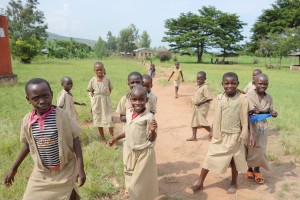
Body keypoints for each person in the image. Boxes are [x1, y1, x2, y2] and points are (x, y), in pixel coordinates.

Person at [4, 78, 86, 200]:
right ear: (28, 100)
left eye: (45, 96)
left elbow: (76, 139)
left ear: (51, 94)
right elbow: (27, 145)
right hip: (42, 173)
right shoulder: (27, 121)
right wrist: (13, 168)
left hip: (65, 170)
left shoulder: (62, 115)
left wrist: (80, 168)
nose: (42, 101)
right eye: (36, 98)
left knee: (69, 195)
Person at [191, 72, 249, 194]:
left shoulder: (243, 99)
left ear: (238, 84)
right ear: (222, 84)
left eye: (233, 83)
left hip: (235, 136)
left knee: (234, 160)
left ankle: (234, 182)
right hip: (220, 135)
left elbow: (245, 118)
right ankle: (200, 182)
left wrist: (245, 134)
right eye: (226, 83)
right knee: (210, 157)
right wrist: (212, 130)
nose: (230, 86)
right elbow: (216, 117)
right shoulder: (218, 98)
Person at [109, 85, 158, 200]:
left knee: (140, 182)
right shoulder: (129, 112)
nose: (137, 102)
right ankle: (132, 195)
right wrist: (116, 138)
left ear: (146, 100)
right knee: (129, 175)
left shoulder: (149, 117)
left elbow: (152, 139)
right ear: (130, 100)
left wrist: (152, 131)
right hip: (131, 151)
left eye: (141, 99)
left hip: (143, 154)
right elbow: (128, 131)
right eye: (134, 99)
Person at [245, 73, 278, 184]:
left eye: (265, 84)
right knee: (250, 147)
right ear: (254, 83)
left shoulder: (269, 97)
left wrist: (273, 113)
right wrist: (251, 111)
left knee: (261, 149)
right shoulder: (248, 96)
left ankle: (257, 170)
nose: (262, 86)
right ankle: (249, 169)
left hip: (263, 126)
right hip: (250, 126)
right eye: (260, 83)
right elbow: (244, 112)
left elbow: (269, 110)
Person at [87, 62, 114, 144]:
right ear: (94, 70)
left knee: (109, 120)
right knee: (98, 120)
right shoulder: (92, 80)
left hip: (106, 102)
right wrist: (93, 100)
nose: (99, 71)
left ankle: (112, 139)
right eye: (97, 70)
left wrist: (106, 95)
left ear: (103, 69)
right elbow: (89, 90)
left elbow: (110, 89)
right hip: (97, 103)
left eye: (101, 69)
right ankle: (103, 139)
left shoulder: (107, 79)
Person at [187, 71, 213, 141]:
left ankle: (212, 132)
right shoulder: (198, 86)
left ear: (205, 79)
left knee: (202, 122)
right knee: (194, 121)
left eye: (201, 79)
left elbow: (209, 98)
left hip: (202, 107)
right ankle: (194, 136)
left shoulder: (205, 87)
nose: (198, 80)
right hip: (196, 107)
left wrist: (200, 103)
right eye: (197, 78)